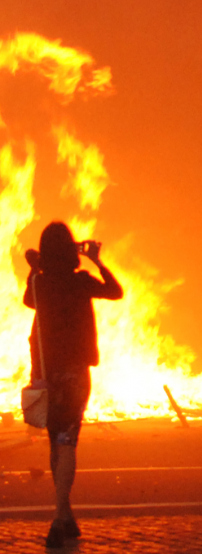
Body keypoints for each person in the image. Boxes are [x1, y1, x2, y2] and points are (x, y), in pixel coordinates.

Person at [23, 222, 123, 548]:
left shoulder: (40, 283)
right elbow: (115, 291)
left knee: (56, 443)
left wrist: (36, 266)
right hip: (75, 373)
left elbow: (29, 299)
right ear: (71, 250)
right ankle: (58, 517)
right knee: (68, 442)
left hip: (47, 374)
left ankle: (65, 515)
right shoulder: (80, 282)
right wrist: (96, 259)